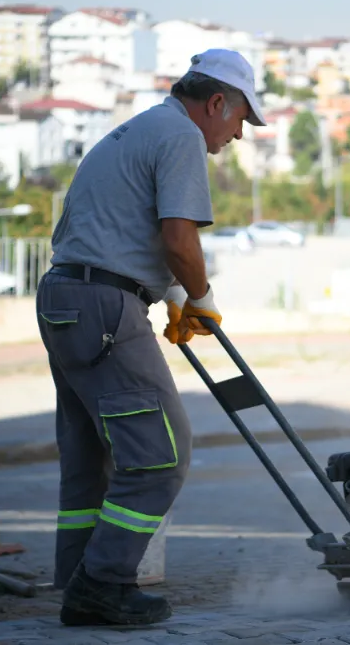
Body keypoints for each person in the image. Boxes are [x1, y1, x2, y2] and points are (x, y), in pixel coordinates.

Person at [34, 49, 266, 627]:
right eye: (240, 119)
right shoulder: (182, 137)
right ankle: (104, 584)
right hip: (105, 304)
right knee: (161, 454)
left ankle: (79, 579)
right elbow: (178, 240)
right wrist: (202, 301)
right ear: (216, 103)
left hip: (67, 296)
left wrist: (171, 298)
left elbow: (113, 232)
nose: (238, 134)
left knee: (93, 456)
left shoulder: (137, 128)